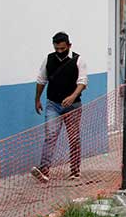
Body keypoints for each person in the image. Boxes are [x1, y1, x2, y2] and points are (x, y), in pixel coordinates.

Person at [31, 32, 87, 182]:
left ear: (69, 45)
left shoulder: (78, 60)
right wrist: (37, 99)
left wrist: (72, 97)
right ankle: (44, 171)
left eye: (63, 48)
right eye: (57, 49)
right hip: (53, 105)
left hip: (73, 106)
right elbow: (41, 80)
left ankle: (75, 170)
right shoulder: (48, 60)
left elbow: (82, 82)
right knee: (50, 136)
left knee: (74, 138)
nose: (60, 52)